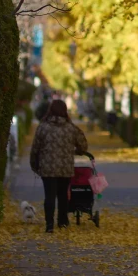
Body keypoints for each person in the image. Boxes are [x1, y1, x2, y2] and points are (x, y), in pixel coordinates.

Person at [30, 99, 90, 233]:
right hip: (65, 167)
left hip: (48, 168)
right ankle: (63, 222)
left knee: (49, 196)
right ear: (65, 111)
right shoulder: (71, 128)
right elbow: (83, 146)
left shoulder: (43, 127)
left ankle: (49, 225)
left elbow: (35, 148)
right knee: (63, 195)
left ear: (50, 110)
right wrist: (76, 152)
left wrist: (34, 164)